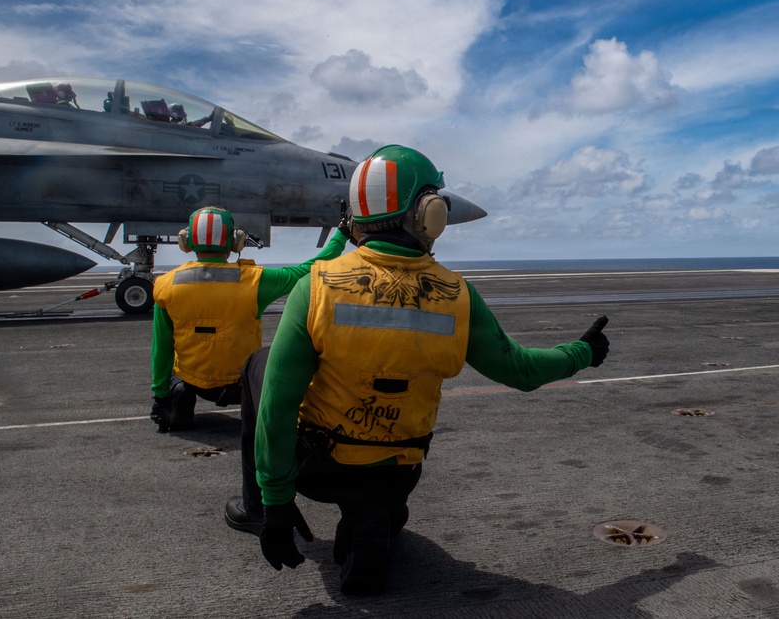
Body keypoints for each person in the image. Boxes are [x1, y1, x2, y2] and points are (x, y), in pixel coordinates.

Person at [223, 145, 611, 595]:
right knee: (387, 502)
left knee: (260, 366)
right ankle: (377, 513)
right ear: (429, 214)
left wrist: (276, 503)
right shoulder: (459, 296)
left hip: (319, 469)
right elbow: (521, 370)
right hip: (399, 468)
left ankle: (260, 509)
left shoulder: (316, 288)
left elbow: (277, 407)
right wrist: (582, 351)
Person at [149, 206, 348, 433]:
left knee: (176, 371)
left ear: (186, 241)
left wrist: (160, 397)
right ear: (236, 242)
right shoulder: (255, 281)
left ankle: (178, 397)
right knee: (267, 357)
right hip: (241, 384)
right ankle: (259, 409)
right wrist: (341, 235)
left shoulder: (165, 285)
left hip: (193, 380)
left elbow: (161, 348)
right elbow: (310, 269)